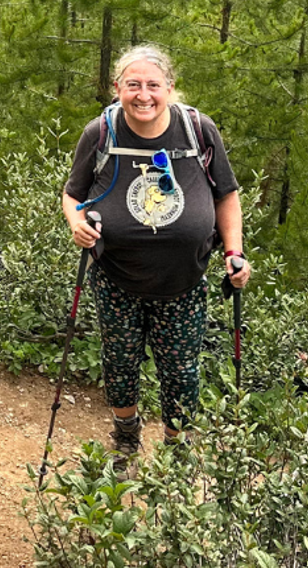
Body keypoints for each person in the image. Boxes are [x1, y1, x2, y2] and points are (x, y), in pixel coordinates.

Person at [61, 44, 250, 456]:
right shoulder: (101, 132)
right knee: (119, 365)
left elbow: (226, 195)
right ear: (117, 88)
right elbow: (73, 194)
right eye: (133, 85)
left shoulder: (198, 130)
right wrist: (77, 223)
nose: (143, 95)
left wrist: (233, 252)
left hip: (183, 284)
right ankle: (126, 439)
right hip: (116, 279)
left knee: (182, 375)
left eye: (153, 85)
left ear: (170, 87)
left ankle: (175, 453)